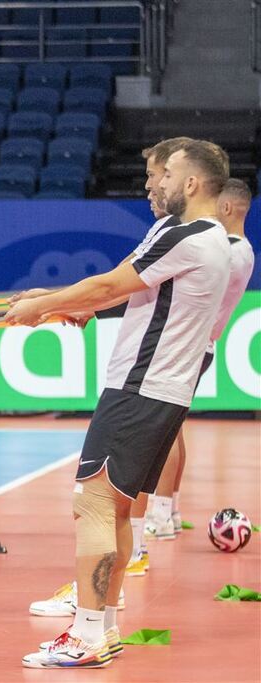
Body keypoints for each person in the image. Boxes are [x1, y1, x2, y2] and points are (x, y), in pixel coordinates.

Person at [8, 140, 231, 669]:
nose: (153, 184)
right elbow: (133, 293)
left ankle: (84, 634)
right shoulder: (208, 237)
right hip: (161, 392)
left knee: (93, 503)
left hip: (140, 388)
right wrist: (74, 306)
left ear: (192, 182)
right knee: (119, 506)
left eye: (164, 174)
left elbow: (111, 282)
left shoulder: (186, 235)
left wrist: (44, 304)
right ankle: (103, 625)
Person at [144, 177, 255, 540]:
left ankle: (159, 515)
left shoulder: (231, 251)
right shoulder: (238, 249)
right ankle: (169, 510)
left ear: (225, 209)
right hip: (197, 346)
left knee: (163, 431)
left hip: (190, 345)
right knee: (172, 429)